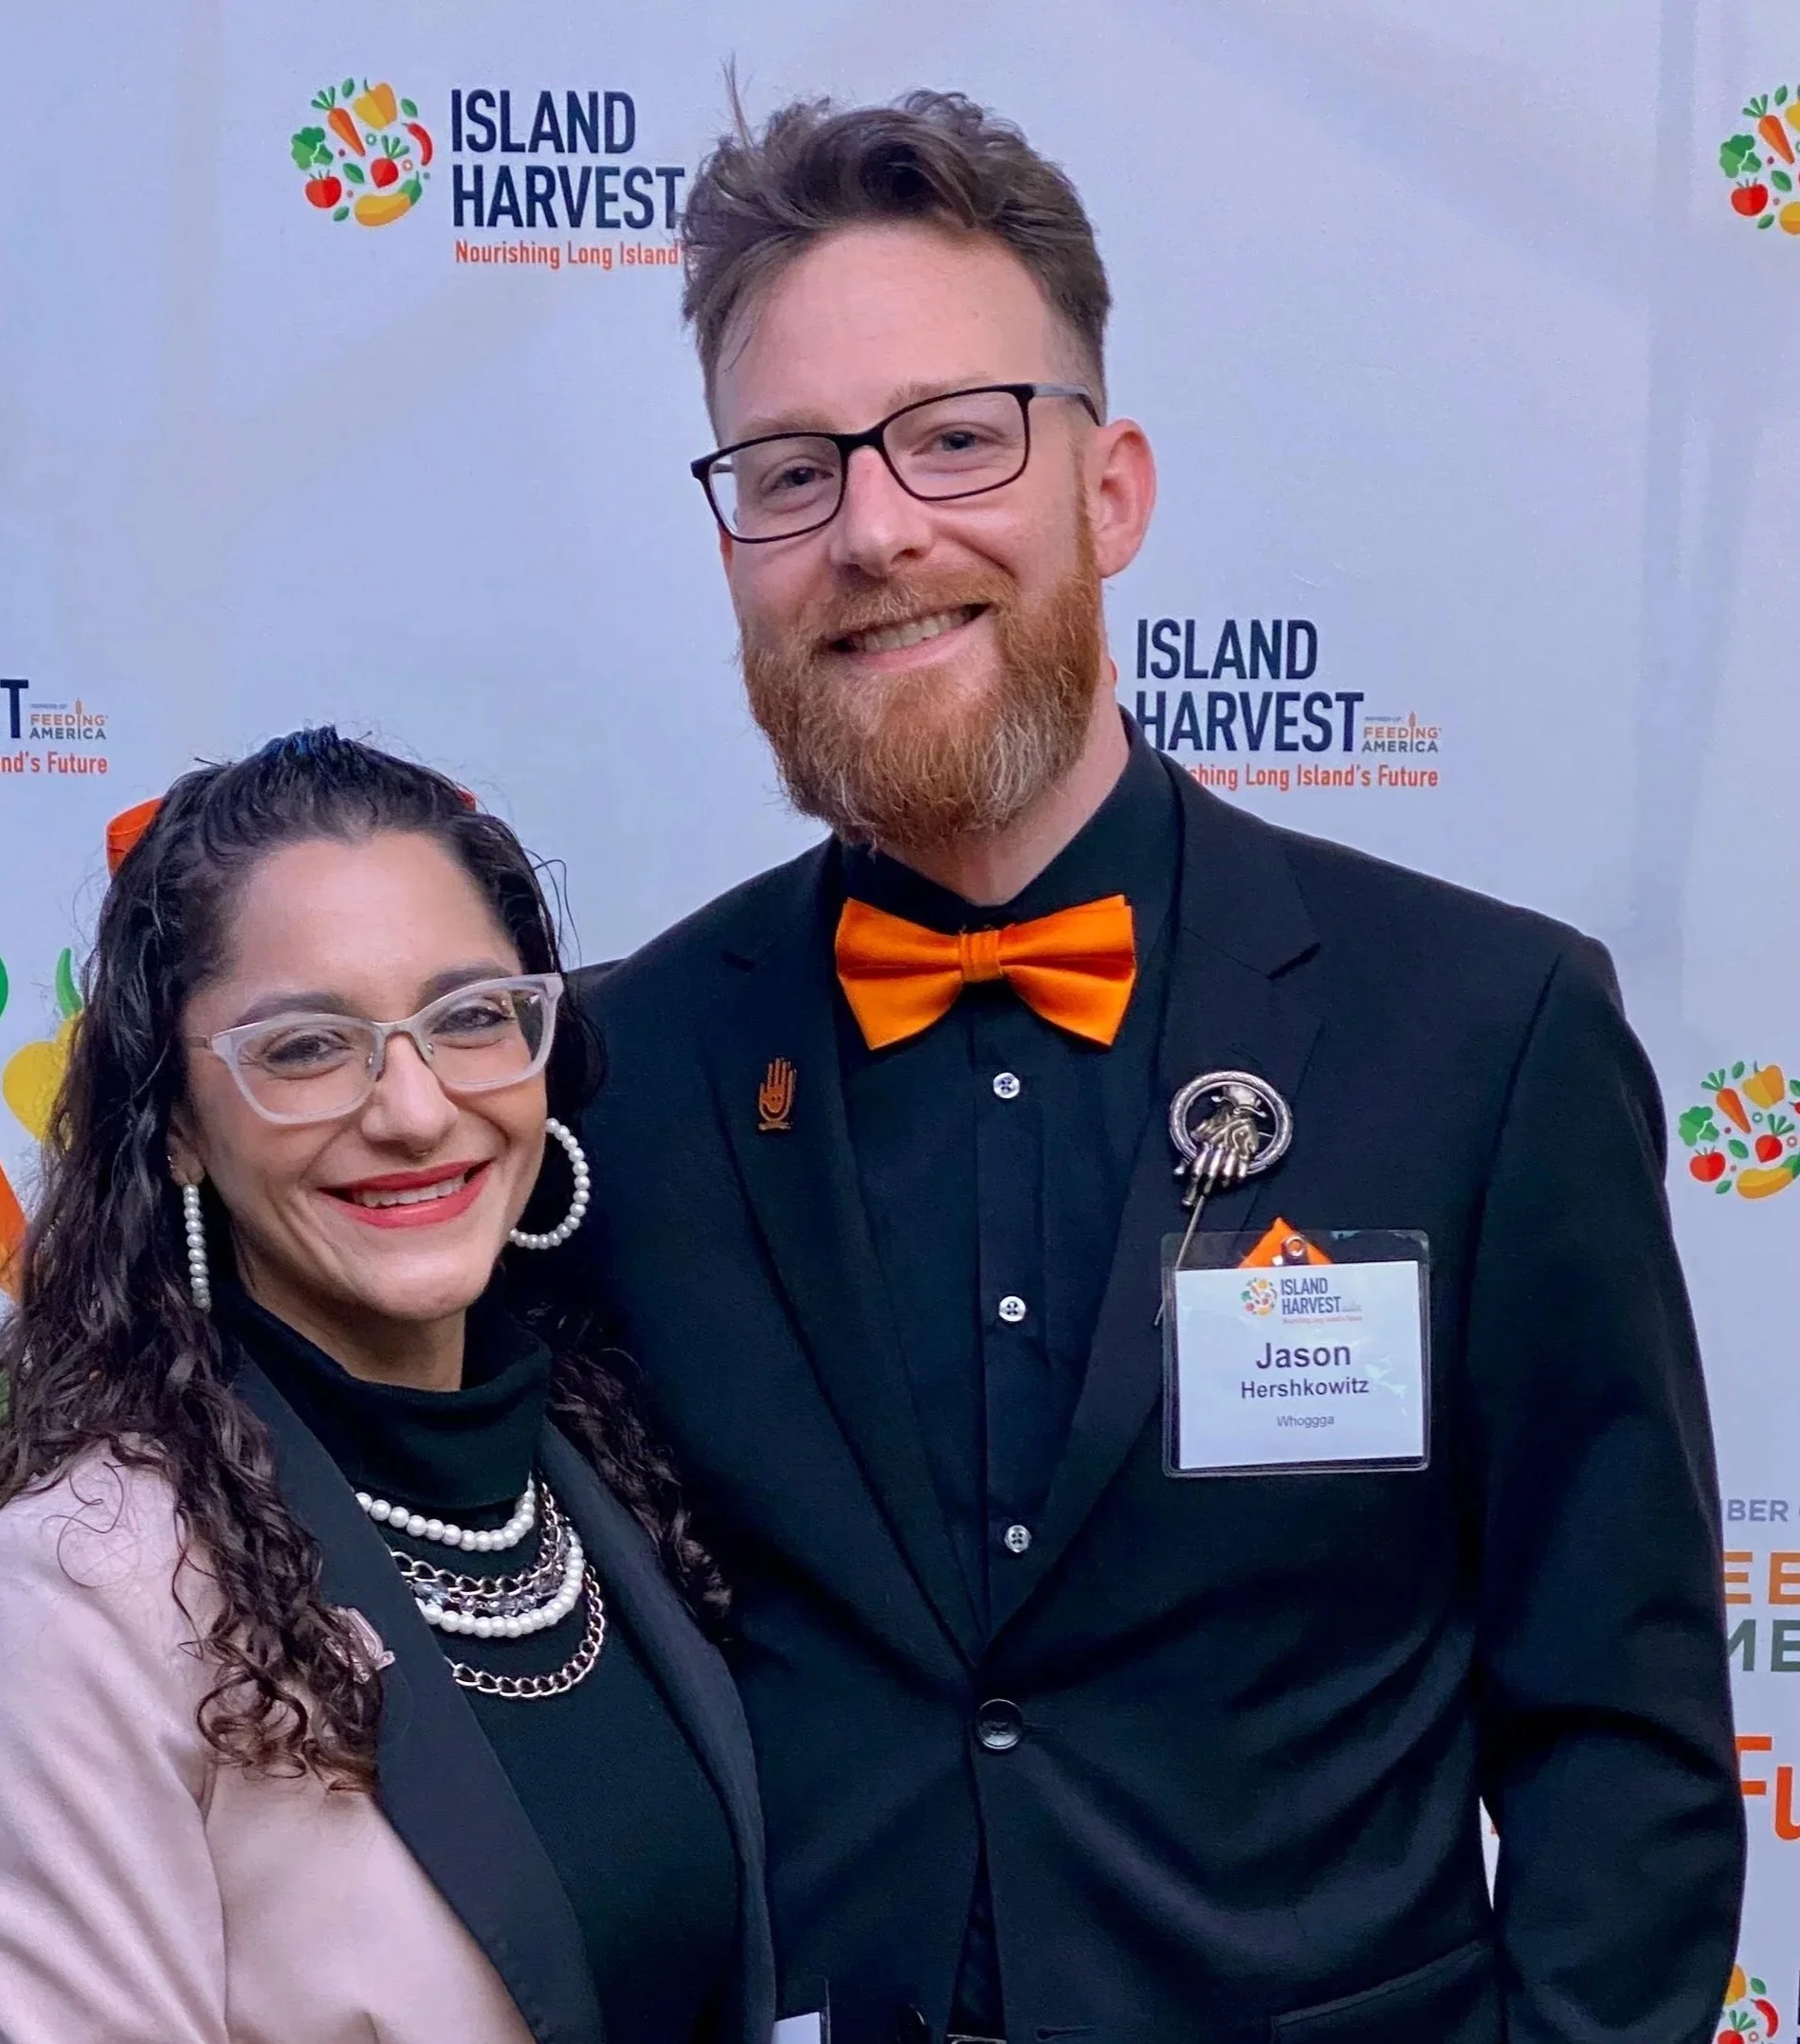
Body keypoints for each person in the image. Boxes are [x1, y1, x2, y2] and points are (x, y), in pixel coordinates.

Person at [568, 92, 1743, 2044]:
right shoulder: (631, 1070)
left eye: (956, 439)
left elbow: (1621, 1748)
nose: (874, 528)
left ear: (1109, 492)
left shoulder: (1485, 1035)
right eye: (789, 471)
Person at [0, 731, 773, 2044]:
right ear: (172, 1122)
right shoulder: (75, 1591)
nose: (412, 1110)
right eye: (304, 1047)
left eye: (469, 1019)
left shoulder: (599, 1468)